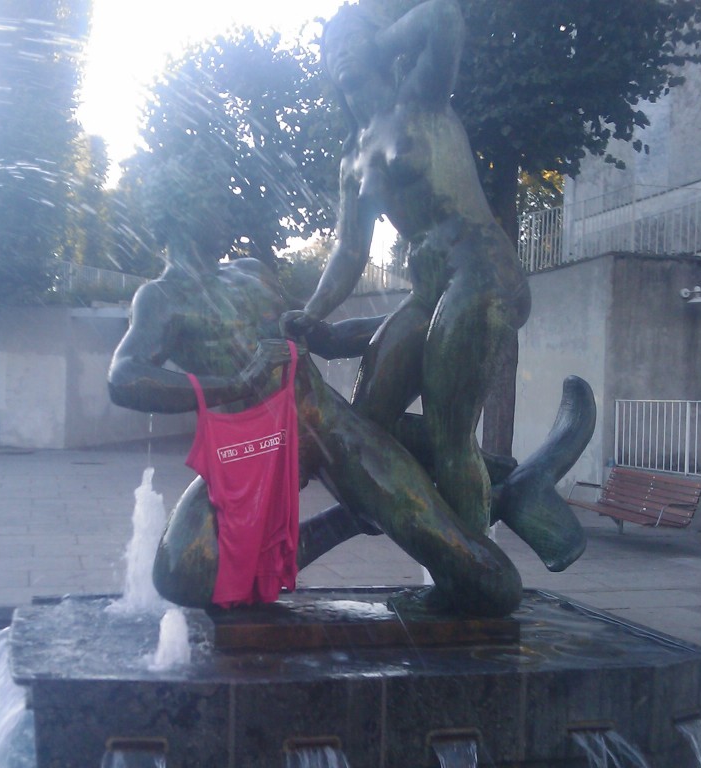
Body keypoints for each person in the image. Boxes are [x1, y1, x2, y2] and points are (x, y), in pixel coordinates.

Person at [108, 243, 523, 617]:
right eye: (208, 194)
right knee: (182, 572)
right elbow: (124, 377)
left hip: (331, 429)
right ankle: (349, 517)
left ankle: (502, 494)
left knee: (491, 585)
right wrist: (237, 384)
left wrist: (432, 318)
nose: (221, 202)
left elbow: (324, 338)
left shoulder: (251, 270)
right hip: (254, 448)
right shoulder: (160, 298)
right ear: (175, 207)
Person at [282, 0, 531, 546]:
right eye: (329, 46)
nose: (339, 52)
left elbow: (444, 17)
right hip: (429, 291)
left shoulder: (422, 97)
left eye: (351, 38)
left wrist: (378, 41)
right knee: (368, 424)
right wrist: (311, 311)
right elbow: (349, 251)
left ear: (380, 41)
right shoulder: (352, 157)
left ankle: (473, 573)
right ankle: (498, 482)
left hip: (482, 272)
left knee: (448, 434)